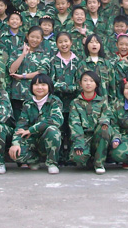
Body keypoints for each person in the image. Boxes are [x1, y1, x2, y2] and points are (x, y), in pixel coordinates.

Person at [9, 74, 63, 174]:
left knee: (53, 130)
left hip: (47, 140)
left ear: (49, 86)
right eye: (36, 84)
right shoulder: (28, 104)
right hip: (32, 141)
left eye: (43, 85)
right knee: (15, 153)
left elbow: (56, 120)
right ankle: (34, 160)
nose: (39, 87)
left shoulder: (54, 101)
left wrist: (31, 130)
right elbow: (21, 126)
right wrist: (15, 144)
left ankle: (52, 163)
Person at [69, 71, 113, 174]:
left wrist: (104, 123)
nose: (88, 83)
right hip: (84, 137)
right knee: (77, 158)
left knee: (105, 128)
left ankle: (99, 163)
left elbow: (106, 116)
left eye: (91, 81)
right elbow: (75, 124)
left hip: (98, 136)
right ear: (80, 84)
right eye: (85, 80)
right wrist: (79, 143)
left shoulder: (102, 101)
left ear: (96, 84)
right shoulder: (75, 103)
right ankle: (89, 160)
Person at [8, 26, 51, 120]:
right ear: (27, 36)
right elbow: (12, 70)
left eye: (37, 38)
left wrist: (23, 76)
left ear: (41, 39)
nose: (34, 40)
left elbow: (42, 72)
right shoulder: (17, 51)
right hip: (17, 95)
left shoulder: (43, 54)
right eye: (32, 37)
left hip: (34, 95)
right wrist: (23, 54)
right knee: (17, 121)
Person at [49, 32, 80, 162]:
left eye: (66, 41)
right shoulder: (53, 61)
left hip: (74, 103)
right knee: (60, 130)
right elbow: (50, 82)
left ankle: (72, 157)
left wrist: (72, 88)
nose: (64, 44)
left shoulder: (77, 61)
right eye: (60, 42)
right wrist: (64, 87)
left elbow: (80, 82)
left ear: (71, 42)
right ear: (56, 44)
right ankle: (60, 157)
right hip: (58, 102)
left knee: (72, 130)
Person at [76, 34, 115, 100]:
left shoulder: (106, 63)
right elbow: (79, 85)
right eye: (91, 42)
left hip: (104, 101)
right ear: (86, 45)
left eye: (97, 42)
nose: (94, 44)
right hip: (87, 102)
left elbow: (112, 85)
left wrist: (111, 101)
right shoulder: (82, 64)